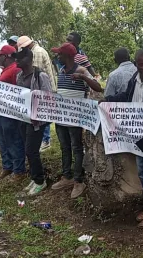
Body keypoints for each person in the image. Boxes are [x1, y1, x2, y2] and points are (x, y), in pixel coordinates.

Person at [102, 49, 143, 228]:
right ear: (136, 64)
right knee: (142, 172)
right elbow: (126, 97)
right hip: (136, 133)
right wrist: (108, 100)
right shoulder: (134, 80)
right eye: (142, 64)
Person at [50, 42, 102, 199]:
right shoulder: (61, 70)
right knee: (65, 147)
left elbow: (98, 87)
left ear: (67, 56)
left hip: (75, 119)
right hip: (61, 117)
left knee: (76, 148)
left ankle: (79, 180)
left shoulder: (81, 70)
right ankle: (67, 177)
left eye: (60, 54)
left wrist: (83, 77)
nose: (57, 56)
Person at [15, 48, 52, 195]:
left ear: (29, 60)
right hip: (23, 119)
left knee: (31, 150)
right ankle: (34, 176)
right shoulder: (19, 76)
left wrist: (38, 114)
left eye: (20, 59)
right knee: (27, 149)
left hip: (37, 121)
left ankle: (40, 181)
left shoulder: (40, 76)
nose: (16, 61)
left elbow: (48, 98)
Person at [17, 36, 56, 152]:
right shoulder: (20, 76)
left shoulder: (36, 52)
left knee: (41, 118)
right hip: (39, 89)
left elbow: (35, 72)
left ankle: (45, 140)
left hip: (41, 87)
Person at [0, 45, 26, 182]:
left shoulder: (16, 69)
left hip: (10, 112)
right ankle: (7, 166)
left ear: (6, 57)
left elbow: (19, 90)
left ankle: (18, 170)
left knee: (13, 139)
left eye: (1, 56)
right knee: (2, 140)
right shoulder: (5, 70)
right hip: (0, 110)